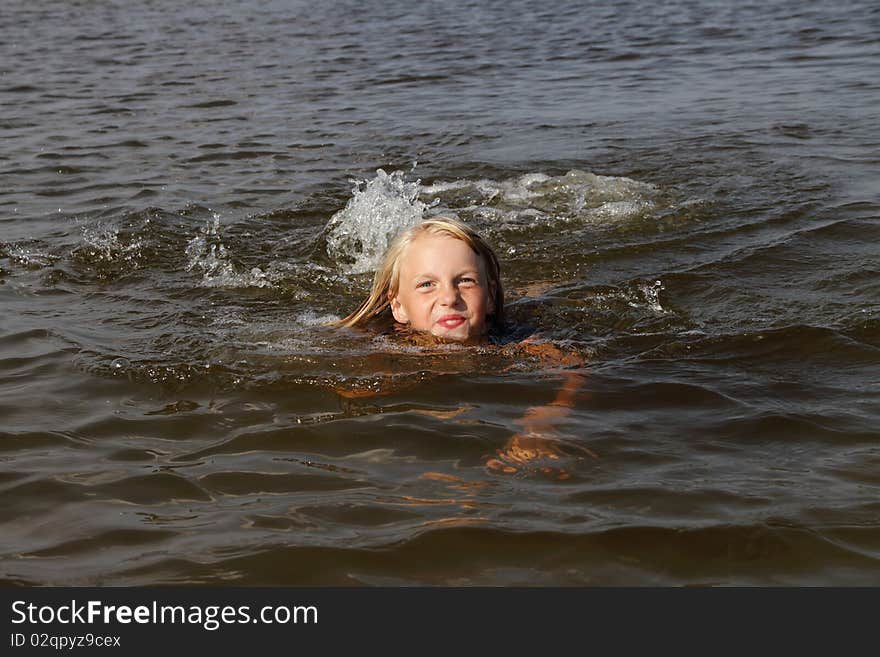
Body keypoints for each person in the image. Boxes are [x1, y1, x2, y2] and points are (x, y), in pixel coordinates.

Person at [333, 216, 594, 477]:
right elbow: (351, 392)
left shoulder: (512, 341)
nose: (449, 297)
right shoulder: (384, 346)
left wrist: (544, 421)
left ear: (490, 297)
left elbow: (576, 369)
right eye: (427, 285)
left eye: (465, 281)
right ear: (399, 307)